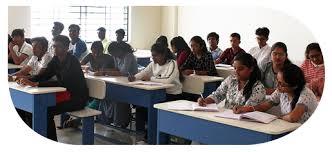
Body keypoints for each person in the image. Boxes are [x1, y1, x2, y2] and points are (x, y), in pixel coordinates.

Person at [17, 35, 89, 141]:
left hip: (77, 98)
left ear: (66, 47)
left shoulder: (72, 61)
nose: (55, 49)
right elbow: (44, 75)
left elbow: (63, 83)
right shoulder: (55, 60)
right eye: (54, 46)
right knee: (28, 108)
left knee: (45, 110)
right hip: (64, 95)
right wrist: (25, 78)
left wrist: (36, 84)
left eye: (58, 46)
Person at [128, 43, 182, 139]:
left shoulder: (172, 63)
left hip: (172, 95)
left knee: (152, 107)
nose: (153, 58)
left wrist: (150, 79)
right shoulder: (153, 64)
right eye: (152, 55)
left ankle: (154, 133)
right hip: (157, 93)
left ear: (163, 55)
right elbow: (143, 73)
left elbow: (167, 80)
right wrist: (134, 78)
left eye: (155, 55)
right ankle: (147, 131)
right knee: (141, 106)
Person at [233, 64, 318, 124]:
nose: (278, 86)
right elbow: (265, 105)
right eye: (278, 81)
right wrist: (246, 109)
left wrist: (277, 118)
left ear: (294, 86)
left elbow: (293, 117)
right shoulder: (281, 90)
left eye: (282, 84)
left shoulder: (305, 95)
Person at [198, 52, 265, 109]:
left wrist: (241, 109)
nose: (236, 71)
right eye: (235, 68)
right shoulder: (231, 80)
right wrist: (205, 100)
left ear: (251, 69)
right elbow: (218, 95)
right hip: (225, 118)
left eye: (240, 69)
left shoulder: (258, 87)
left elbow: (248, 109)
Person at [103, 41, 138, 127]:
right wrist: (104, 70)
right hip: (120, 82)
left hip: (131, 83)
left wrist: (106, 72)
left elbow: (123, 72)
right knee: (106, 96)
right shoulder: (116, 57)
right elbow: (116, 69)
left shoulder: (128, 56)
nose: (114, 56)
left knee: (118, 98)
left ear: (119, 50)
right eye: (112, 54)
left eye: (114, 53)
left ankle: (120, 121)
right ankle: (110, 118)